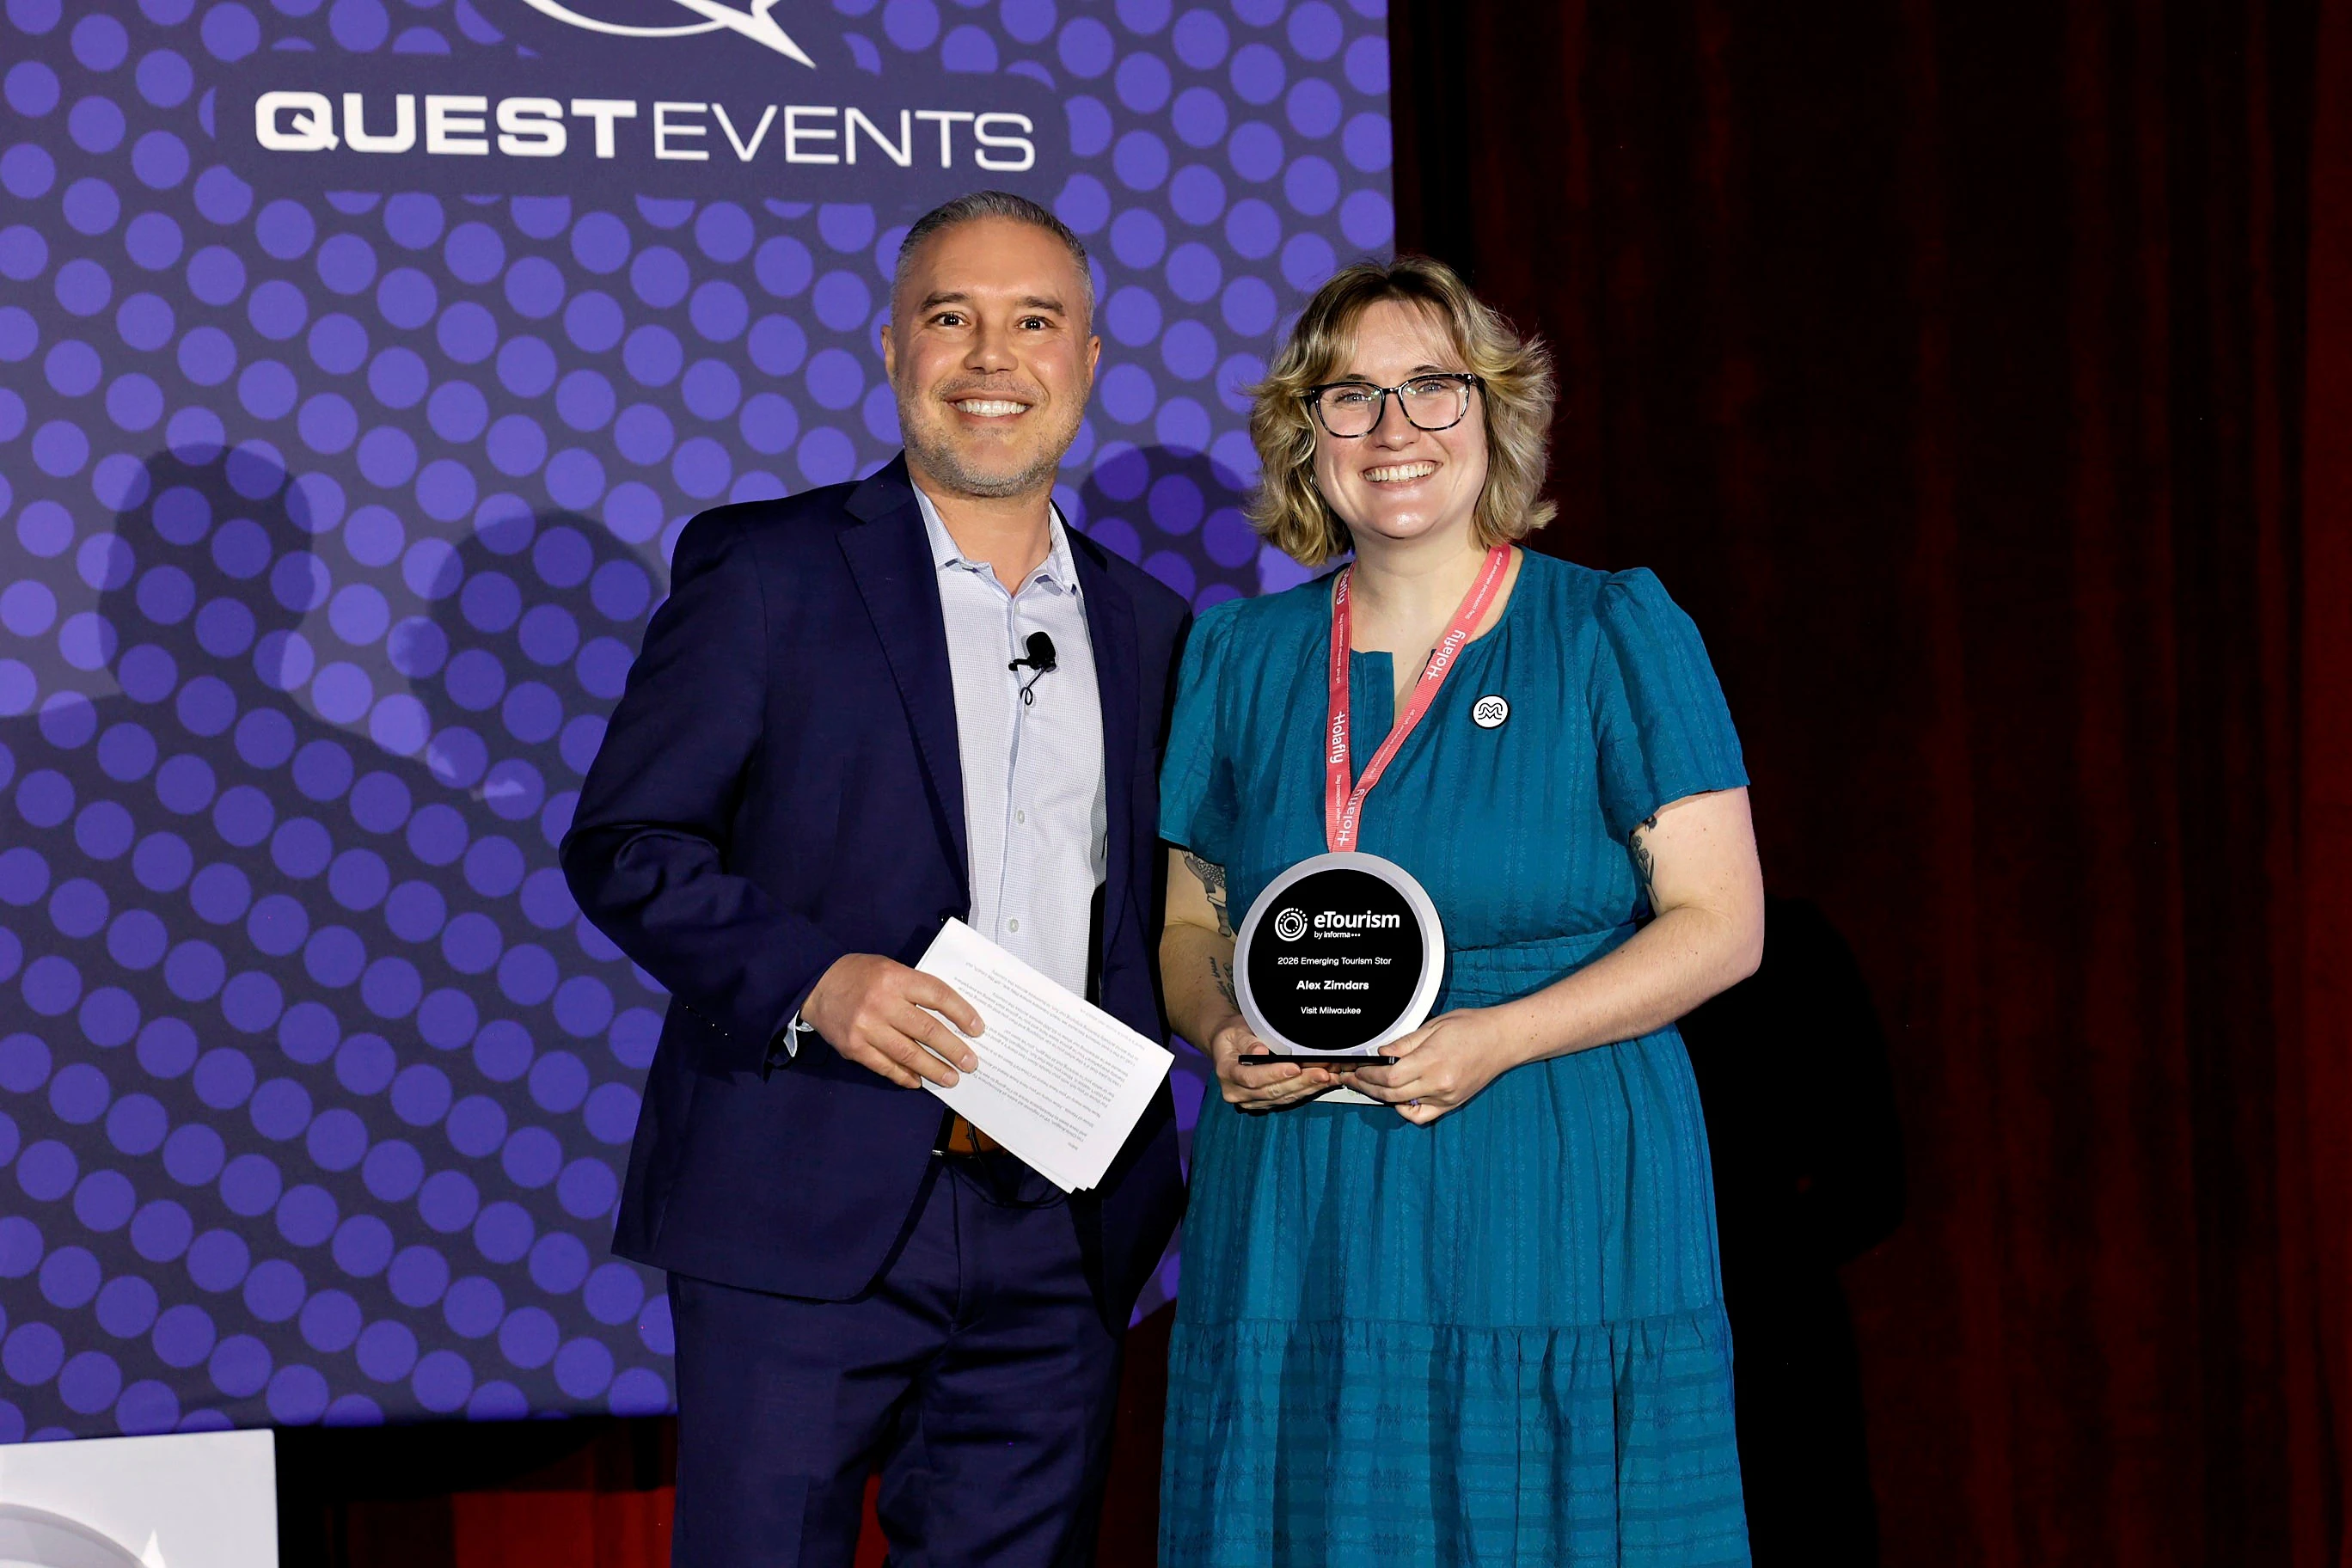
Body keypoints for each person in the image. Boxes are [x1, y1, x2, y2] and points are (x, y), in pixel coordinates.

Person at [561, 192, 1191, 1568]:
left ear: (1086, 361)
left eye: (1035, 321)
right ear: (892, 345)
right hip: (800, 1202)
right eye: (949, 317)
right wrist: (814, 981)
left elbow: (1155, 920)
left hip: (1057, 1227)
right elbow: (626, 844)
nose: (990, 357)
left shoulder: (1153, 628)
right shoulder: (771, 572)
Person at [1155, 256, 1766, 1566]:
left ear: (1494, 413)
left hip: (1549, 1159)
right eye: (1350, 397)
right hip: (1302, 1180)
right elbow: (1191, 927)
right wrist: (1218, 1032)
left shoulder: (1611, 628)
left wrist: (1497, 1037)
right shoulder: (1236, 655)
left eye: (1432, 388)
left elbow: (1723, 923)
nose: (1394, 431)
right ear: (1303, 438)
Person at [1676, 896, 1905, 1566]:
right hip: (1751, 1329)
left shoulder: (1787, 943)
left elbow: (1873, 1185)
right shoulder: (1562, 948)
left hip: (1772, 1352)